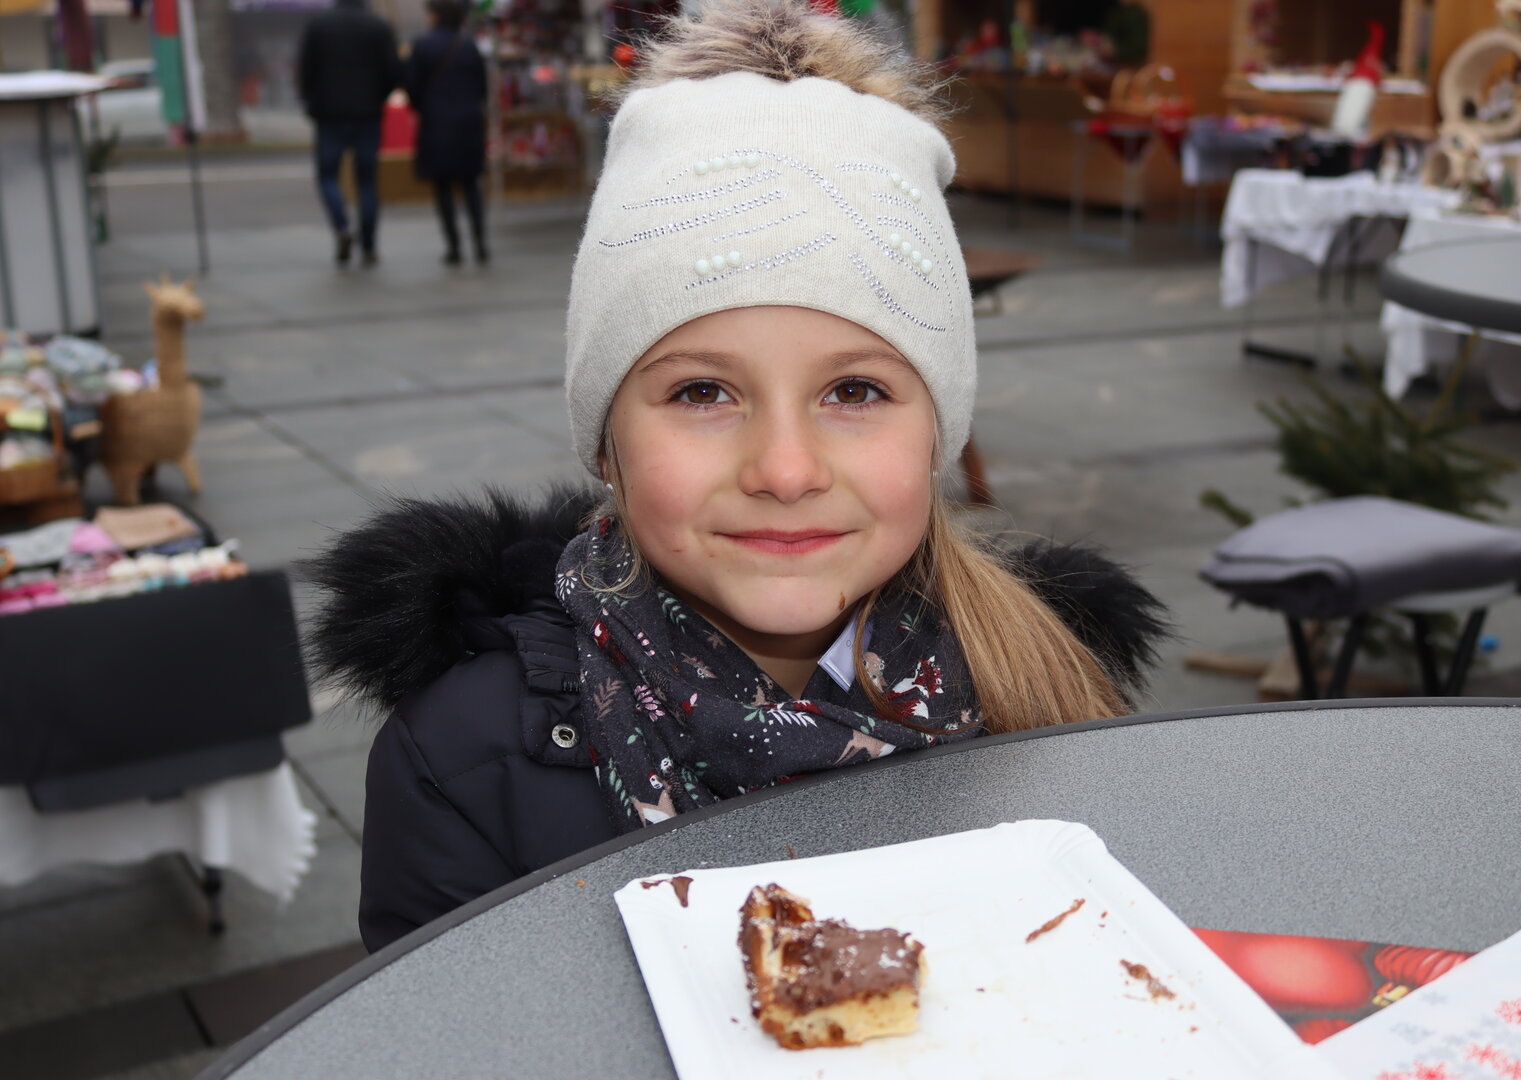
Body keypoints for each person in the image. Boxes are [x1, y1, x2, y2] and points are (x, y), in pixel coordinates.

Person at [309, 0, 1170, 953]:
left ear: (938, 434)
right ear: (607, 443)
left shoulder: (1049, 691)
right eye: (703, 392)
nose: (786, 470)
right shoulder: (467, 764)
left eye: (854, 390)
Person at [296, 0, 401, 267]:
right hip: (367, 113)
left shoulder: (319, 26)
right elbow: (393, 71)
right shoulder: (378, 26)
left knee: (327, 176)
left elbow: (306, 70)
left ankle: (342, 226)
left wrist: (311, 102)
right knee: (367, 181)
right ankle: (369, 244)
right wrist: (378, 98)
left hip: (329, 114)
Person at [404, 0, 489, 265]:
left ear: (436, 16)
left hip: (436, 124)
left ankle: (454, 247)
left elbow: (411, 86)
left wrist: (425, 106)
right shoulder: (469, 45)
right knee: (471, 185)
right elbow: (482, 87)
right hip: (468, 124)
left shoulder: (422, 45)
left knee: (443, 188)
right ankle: (480, 243)